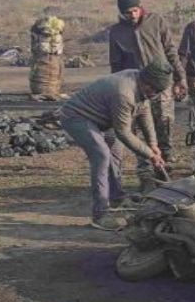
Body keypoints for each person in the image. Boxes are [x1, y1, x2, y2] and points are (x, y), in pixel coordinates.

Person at [59, 60, 173, 231]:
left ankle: (117, 197)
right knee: (102, 155)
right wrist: (150, 155)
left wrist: (153, 143)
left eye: (158, 91)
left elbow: (144, 111)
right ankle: (100, 214)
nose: (154, 94)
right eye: (154, 90)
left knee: (115, 151)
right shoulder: (124, 93)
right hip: (77, 117)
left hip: (101, 121)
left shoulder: (142, 85)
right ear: (145, 81)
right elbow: (124, 132)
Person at [109, 0, 186, 188]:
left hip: (161, 85)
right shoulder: (116, 32)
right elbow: (115, 64)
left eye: (135, 10)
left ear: (141, 7)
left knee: (164, 128)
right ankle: (146, 177)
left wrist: (180, 78)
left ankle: (166, 174)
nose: (133, 15)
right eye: (128, 12)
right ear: (121, 13)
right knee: (137, 133)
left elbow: (170, 50)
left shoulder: (156, 21)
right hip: (134, 90)